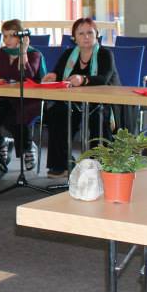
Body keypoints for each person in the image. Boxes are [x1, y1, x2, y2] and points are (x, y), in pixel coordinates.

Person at [43, 17, 122, 178]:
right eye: (81, 33)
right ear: (74, 38)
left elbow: (103, 79)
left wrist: (84, 79)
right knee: (56, 113)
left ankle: (99, 165)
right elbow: (58, 74)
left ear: (96, 35)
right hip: (73, 103)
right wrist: (52, 76)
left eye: (90, 33)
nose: (86, 37)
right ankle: (62, 164)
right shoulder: (68, 54)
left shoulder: (105, 54)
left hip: (102, 102)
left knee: (98, 117)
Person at [0, 20, 45, 180]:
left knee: (15, 117)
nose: (7, 40)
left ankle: (27, 147)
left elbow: (28, 75)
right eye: (4, 36)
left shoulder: (34, 54)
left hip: (29, 99)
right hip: (6, 97)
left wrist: (23, 52)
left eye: (11, 36)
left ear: (21, 37)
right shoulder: (0, 54)